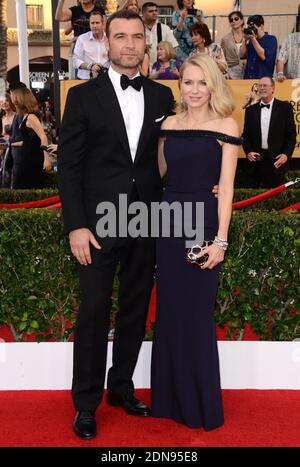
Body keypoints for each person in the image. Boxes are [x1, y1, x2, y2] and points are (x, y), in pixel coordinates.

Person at [58, 10, 174, 440]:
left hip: (146, 218)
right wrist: (76, 226)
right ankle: (85, 402)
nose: (129, 44)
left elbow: (169, 159)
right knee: (92, 311)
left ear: (148, 42)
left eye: (137, 37)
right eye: (120, 37)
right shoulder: (83, 96)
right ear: (106, 43)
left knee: (135, 307)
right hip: (97, 225)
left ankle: (121, 386)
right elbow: (68, 168)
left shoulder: (163, 97)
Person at [151, 53, 241, 429]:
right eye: (188, 82)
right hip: (169, 224)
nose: (195, 90)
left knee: (197, 314)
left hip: (202, 225)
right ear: (180, 86)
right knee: (170, 313)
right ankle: (169, 401)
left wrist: (220, 242)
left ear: (214, 85)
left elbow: (227, 190)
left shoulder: (226, 125)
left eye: (202, 82)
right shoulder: (168, 124)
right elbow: (160, 173)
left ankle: (199, 405)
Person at [242, 76, 296, 188]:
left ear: (273, 88)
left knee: (276, 197)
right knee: (254, 198)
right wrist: (248, 151)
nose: (261, 88)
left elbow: (291, 135)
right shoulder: (250, 110)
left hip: (277, 161)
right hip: (256, 162)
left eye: (265, 85)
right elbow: (246, 135)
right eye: (260, 86)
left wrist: (286, 154)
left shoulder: (284, 108)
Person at [10, 88, 51, 189]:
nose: (12, 102)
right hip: (26, 158)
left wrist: (46, 159)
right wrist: (11, 144)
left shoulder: (31, 117)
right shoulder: (24, 116)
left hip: (33, 159)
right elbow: (27, 141)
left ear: (19, 100)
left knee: (31, 186)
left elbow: (43, 137)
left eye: (13, 99)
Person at [73, 11, 109, 80]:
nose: (94, 26)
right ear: (89, 24)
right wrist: (90, 66)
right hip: (85, 80)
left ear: (103, 24)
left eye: (97, 23)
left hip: (105, 80)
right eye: (92, 23)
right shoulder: (82, 39)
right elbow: (75, 60)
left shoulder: (109, 39)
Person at [240, 14, 277, 79]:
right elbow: (241, 55)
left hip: (263, 80)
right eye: (250, 28)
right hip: (248, 79)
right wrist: (244, 39)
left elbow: (263, 56)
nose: (252, 30)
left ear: (261, 26)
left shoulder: (271, 39)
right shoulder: (251, 40)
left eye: (253, 28)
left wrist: (253, 39)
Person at [142, 2, 178, 69]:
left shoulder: (165, 29)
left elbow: (173, 49)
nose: (154, 13)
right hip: (142, 69)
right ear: (143, 14)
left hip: (161, 71)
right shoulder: (139, 28)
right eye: (151, 11)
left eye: (156, 10)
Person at [221, 11, 246, 79]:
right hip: (232, 72)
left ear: (242, 20)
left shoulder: (249, 35)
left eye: (236, 19)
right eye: (231, 20)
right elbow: (222, 58)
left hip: (248, 70)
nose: (233, 21)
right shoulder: (225, 39)